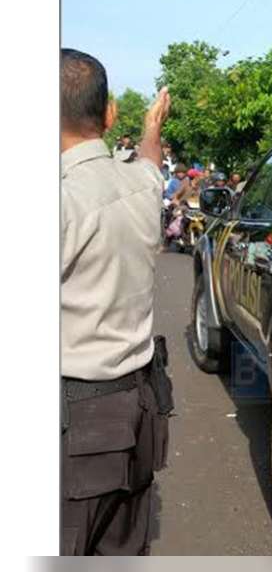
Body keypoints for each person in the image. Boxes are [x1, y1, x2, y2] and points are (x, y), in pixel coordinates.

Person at [60, 48, 174, 555]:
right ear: (108, 116)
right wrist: (153, 127)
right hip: (140, 416)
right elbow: (150, 161)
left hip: (76, 433)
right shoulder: (140, 186)